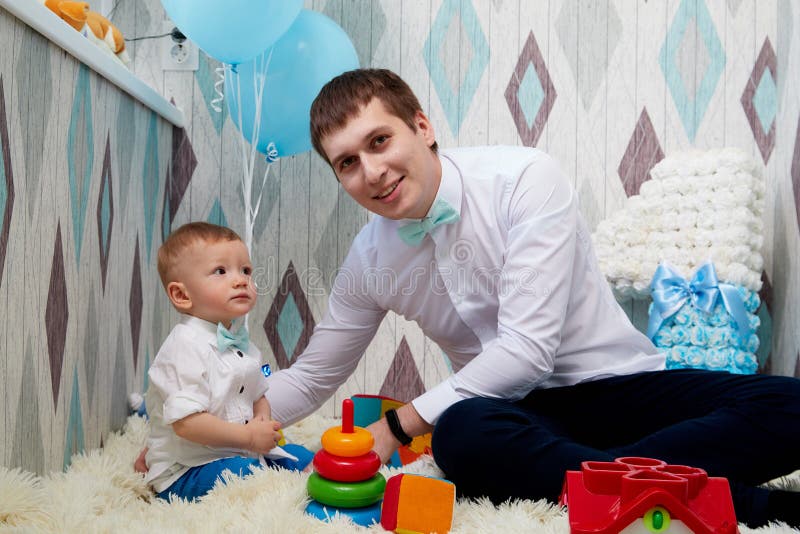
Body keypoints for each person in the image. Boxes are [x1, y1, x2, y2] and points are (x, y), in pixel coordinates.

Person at [262, 69, 800, 527]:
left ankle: (595, 480)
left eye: (379, 141)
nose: (371, 172)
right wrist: (217, 417)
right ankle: (744, 504)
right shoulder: (369, 258)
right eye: (347, 163)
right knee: (463, 433)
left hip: (621, 389)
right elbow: (313, 375)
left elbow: (526, 351)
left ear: (422, 127)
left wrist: (397, 427)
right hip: (512, 421)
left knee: (790, 405)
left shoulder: (523, 177)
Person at [141, 222, 312, 501]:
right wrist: (248, 438)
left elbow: (259, 395)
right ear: (182, 295)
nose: (241, 279)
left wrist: (261, 421)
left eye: (245, 270)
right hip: (188, 468)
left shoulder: (243, 345)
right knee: (252, 478)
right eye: (221, 271)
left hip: (239, 450)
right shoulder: (184, 347)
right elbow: (187, 425)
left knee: (301, 457)